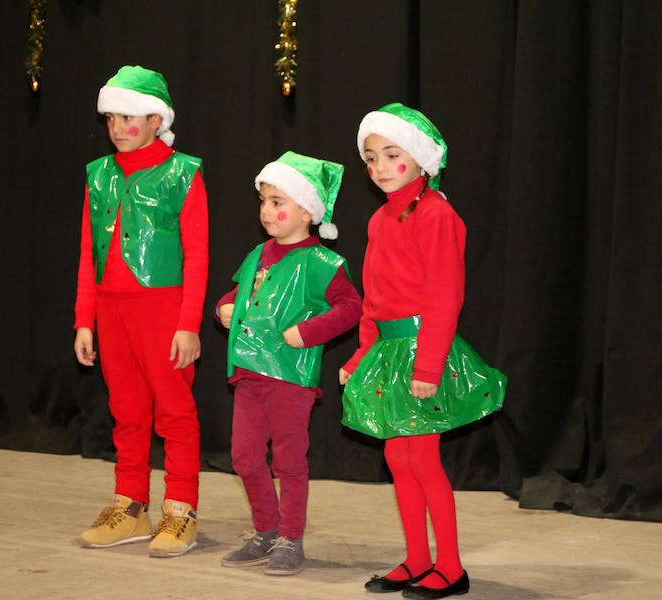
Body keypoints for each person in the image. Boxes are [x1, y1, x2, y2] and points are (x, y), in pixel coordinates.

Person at [341, 102, 506, 598]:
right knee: (397, 458)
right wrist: (358, 358)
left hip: (423, 350)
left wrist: (429, 364)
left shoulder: (436, 215)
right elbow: (374, 301)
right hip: (390, 353)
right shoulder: (378, 221)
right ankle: (416, 558)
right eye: (371, 159)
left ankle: (451, 567)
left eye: (393, 155)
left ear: (419, 158)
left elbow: (444, 297)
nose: (381, 168)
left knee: (423, 460)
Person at [73, 65, 208, 558]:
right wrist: (84, 319)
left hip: (163, 308)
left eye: (129, 118)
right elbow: (88, 253)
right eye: (111, 119)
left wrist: (188, 324)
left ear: (156, 119)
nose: (118, 128)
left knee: (174, 411)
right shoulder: (98, 174)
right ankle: (130, 507)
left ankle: (180, 509)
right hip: (112, 310)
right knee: (126, 410)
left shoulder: (183, 173)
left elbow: (198, 254)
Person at [215, 151, 362, 576]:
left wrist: (307, 332)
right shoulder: (258, 254)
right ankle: (265, 530)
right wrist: (223, 308)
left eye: (279, 201)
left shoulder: (321, 263)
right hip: (248, 374)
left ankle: (290, 538)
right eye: (264, 201)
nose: (267, 210)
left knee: (289, 461)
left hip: (289, 378)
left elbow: (351, 307)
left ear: (308, 211)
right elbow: (236, 294)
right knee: (244, 457)